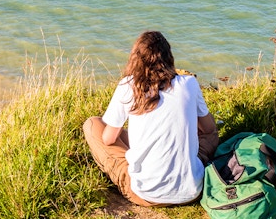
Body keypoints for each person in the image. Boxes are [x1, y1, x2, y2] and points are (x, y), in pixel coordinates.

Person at [83, 31, 219, 207]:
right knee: (211, 135)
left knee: (92, 124)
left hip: (145, 194)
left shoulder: (128, 85)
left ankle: (140, 167)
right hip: (191, 191)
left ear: (135, 58)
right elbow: (209, 130)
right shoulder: (189, 84)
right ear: (169, 57)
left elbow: (108, 139)